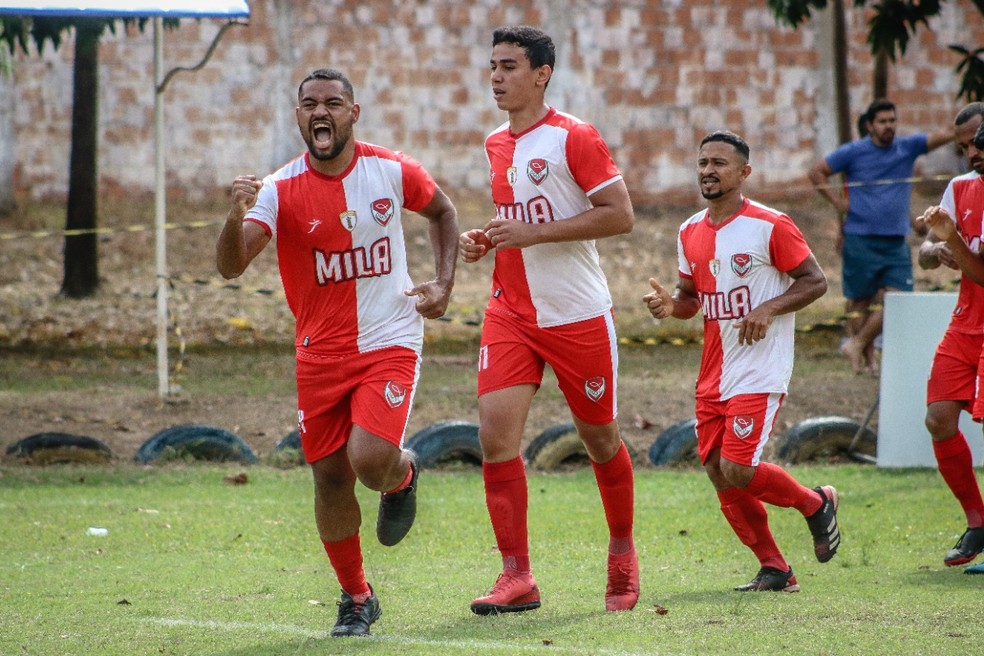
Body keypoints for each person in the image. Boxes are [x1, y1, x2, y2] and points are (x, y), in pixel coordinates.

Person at [215, 68, 459, 637]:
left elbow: (443, 212)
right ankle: (356, 597)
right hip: (319, 355)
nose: (319, 112)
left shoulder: (393, 170)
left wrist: (443, 284)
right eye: (308, 104)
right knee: (329, 478)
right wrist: (233, 216)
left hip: (389, 339)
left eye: (332, 102)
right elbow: (230, 265)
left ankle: (400, 476)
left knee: (369, 459)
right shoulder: (277, 189)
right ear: (298, 116)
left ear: (353, 113)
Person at [458, 26, 638, 614]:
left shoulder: (574, 137)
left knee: (599, 438)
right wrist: (489, 239)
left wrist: (533, 233)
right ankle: (517, 577)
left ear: (541, 74)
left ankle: (621, 554)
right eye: (492, 66)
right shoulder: (494, 142)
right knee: (494, 437)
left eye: (508, 66)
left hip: (577, 315)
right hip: (510, 312)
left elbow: (619, 215)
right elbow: (518, 217)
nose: (496, 77)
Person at [644, 130, 839, 593]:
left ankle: (815, 504)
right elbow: (691, 297)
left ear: (744, 172)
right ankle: (775, 567)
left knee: (739, 468)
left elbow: (815, 281)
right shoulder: (688, 231)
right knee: (716, 470)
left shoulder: (771, 225)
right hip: (714, 370)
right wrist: (671, 306)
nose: (708, 170)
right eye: (703, 162)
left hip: (759, 365)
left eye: (720, 163)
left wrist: (767, 308)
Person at [808, 99, 955, 375]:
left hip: (896, 240)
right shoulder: (854, 151)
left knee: (899, 296)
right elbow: (817, 172)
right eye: (883, 121)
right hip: (859, 238)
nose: (889, 126)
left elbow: (945, 134)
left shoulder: (907, 147)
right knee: (861, 301)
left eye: (892, 120)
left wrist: (967, 125)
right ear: (870, 125)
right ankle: (866, 359)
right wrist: (837, 203)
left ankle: (858, 342)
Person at [918, 105, 984, 567]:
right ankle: (977, 523)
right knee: (939, 418)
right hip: (965, 322)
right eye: (962, 146)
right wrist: (936, 247)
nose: (969, 153)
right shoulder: (960, 188)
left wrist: (954, 245)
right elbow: (927, 247)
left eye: (974, 143)